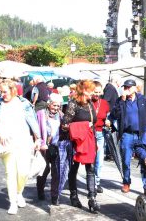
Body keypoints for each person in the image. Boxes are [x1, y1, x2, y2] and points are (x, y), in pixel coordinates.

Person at [0, 79, 42, 215]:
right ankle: (12, 203)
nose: (2, 94)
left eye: (5, 91)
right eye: (1, 91)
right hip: (6, 143)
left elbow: (33, 121)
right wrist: (0, 133)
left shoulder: (23, 103)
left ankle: (18, 192)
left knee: (23, 172)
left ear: (13, 90)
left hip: (23, 141)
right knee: (10, 173)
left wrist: (38, 138)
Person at [61, 79, 100, 214]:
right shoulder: (73, 104)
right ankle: (73, 195)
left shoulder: (90, 104)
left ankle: (92, 198)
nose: (93, 94)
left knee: (91, 169)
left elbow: (92, 124)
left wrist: (94, 142)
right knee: (74, 169)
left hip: (89, 141)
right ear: (84, 90)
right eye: (91, 91)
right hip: (75, 142)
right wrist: (82, 127)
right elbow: (65, 125)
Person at [110, 78, 146, 193]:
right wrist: (122, 101)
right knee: (125, 160)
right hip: (127, 135)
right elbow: (114, 115)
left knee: (145, 160)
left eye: (129, 87)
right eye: (125, 87)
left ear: (134, 88)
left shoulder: (142, 99)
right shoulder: (120, 100)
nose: (126, 89)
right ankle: (126, 182)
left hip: (141, 134)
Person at [36, 93, 63, 205]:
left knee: (57, 172)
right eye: (54, 105)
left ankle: (54, 196)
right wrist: (39, 143)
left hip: (57, 146)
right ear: (49, 104)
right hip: (44, 146)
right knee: (44, 169)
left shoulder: (61, 115)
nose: (56, 108)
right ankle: (40, 190)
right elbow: (36, 129)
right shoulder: (41, 114)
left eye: (58, 106)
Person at [91, 81, 110, 193]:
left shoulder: (104, 103)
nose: (97, 94)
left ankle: (96, 182)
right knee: (90, 160)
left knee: (99, 160)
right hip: (89, 133)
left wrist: (108, 121)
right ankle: (91, 181)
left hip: (99, 133)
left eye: (99, 92)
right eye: (95, 92)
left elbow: (107, 116)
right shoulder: (87, 102)